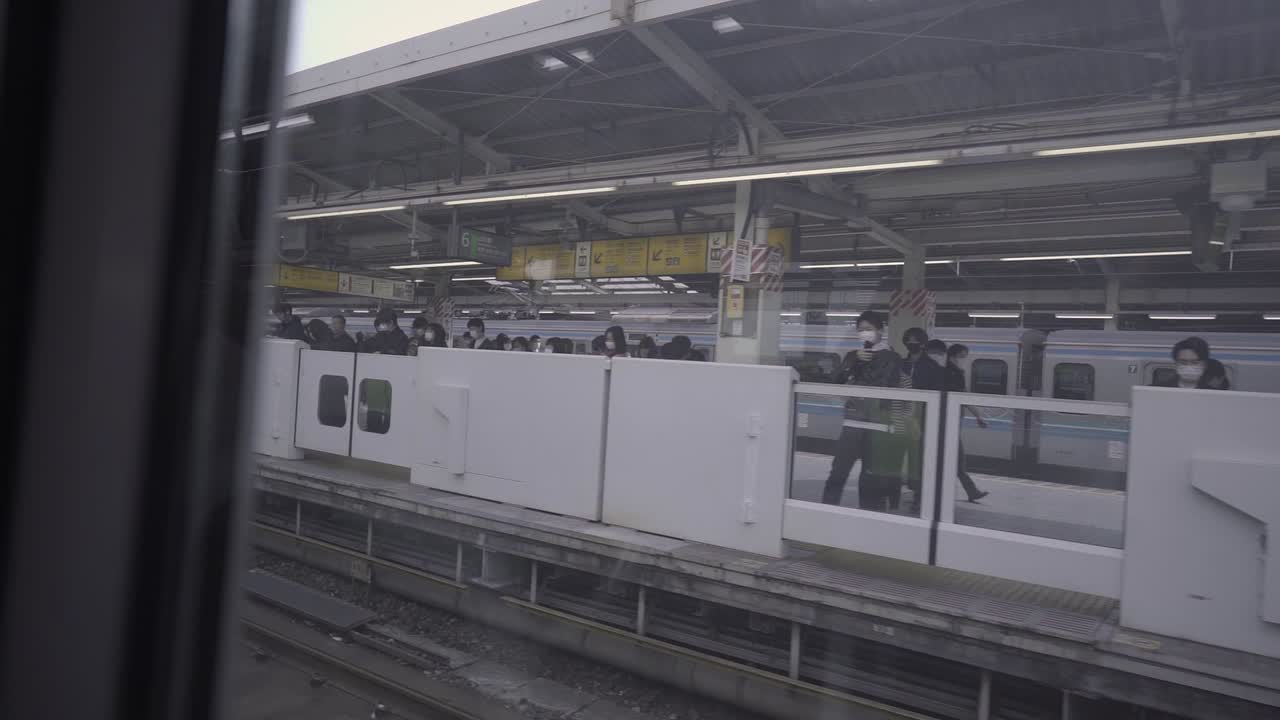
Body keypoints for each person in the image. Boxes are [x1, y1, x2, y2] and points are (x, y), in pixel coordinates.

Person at [821, 311, 900, 506]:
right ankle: (827, 509)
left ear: (880, 330)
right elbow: (835, 380)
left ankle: (870, 514)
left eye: (868, 329)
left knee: (871, 476)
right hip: (853, 420)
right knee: (839, 470)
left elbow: (887, 384)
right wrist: (853, 361)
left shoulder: (892, 357)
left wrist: (872, 361)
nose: (864, 333)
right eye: (860, 330)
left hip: (877, 424)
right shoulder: (852, 356)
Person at [945, 344, 989, 503]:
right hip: (950, 422)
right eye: (963, 357)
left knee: (954, 458)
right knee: (957, 458)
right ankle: (971, 491)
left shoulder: (950, 371)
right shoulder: (954, 373)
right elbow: (963, 398)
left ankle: (971, 491)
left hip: (951, 421)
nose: (964, 360)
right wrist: (978, 415)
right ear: (953, 356)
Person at [1153, 337, 1230, 390]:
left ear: (1204, 365)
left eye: (1195, 362)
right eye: (1183, 362)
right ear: (1175, 364)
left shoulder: (1215, 394)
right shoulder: (1155, 390)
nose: (1189, 366)